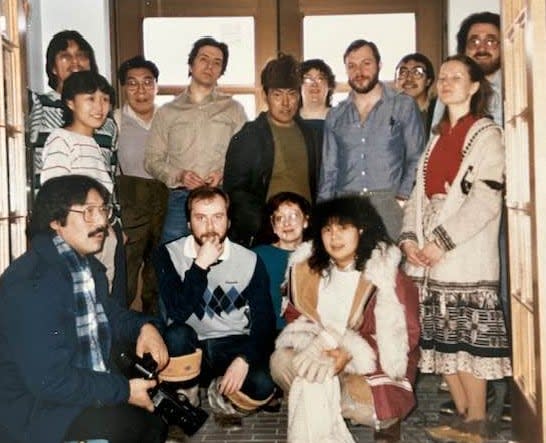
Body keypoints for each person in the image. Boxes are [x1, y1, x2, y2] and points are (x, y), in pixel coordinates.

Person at [0, 175, 168, 443]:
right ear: (56, 221)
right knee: (139, 427)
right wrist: (123, 391)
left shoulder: (83, 266)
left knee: (153, 419)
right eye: (88, 212)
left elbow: (111, 315)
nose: (101, 222)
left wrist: (145, 327)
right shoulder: (31, 283)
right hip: (35, 413)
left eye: (103, 210)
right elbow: (49, 381)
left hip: (70, 394)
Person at [399, 55, 512, 443]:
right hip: (428, 262)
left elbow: (484, 199)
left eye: (456, 77)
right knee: (442, 341)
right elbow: (417, 194)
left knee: (469, 343)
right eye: (442, 77)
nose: (446, 83)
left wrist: (441, 241)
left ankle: (479, 423)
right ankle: (464, 419)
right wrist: (410, 239)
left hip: (465, 255)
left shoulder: (486, 134)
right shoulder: (435, 136)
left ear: (475, 86)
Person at [270, 195, 420, 443]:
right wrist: (317, 347)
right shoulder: (308, 271)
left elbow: (407, 337)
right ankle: (317, 406)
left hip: (368, 370)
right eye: (327, 229)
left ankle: (383, 419)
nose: (334, 237)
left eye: (343, 228)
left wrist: (348, 352)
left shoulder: (387, 277)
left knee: (313, 383)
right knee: (283, 361)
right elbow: (295, 316)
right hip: (319, 356)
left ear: (361, 230)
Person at [154, 186, 276, 430]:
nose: (210, 227)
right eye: (200, 218)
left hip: (230, 343)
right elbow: (177, 311)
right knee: (176, 333)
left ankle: (221, 388)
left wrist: (244, 359)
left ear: (228, 221)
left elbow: (265, 321)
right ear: (188, 223)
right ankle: (187, 391)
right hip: (189, 345)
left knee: (263, 384)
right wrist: (199, 266)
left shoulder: (249, 260)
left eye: (217, 217)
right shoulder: (168, 254)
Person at [318, 39, 425, 241]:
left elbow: (417, 157)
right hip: (347, 208)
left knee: (392, 269)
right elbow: (329, 171)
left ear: (379, 65)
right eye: (352, 66)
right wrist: (323, 215)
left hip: (390, 206)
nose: (359, 71)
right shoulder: (335, 115)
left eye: (366, 63)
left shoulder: (403, 106)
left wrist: (401, 199)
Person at [144, 36, 247, 244]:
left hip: (221, 198)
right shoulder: (167, 112)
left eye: (217, 63)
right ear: (191, 64)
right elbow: (151, 160)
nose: (210, 66)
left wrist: (223, 173)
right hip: (180, 200)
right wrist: (180, 175)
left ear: (221, 71)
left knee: (220, 261)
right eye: (204, 59)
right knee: (173, 261)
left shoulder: (234, 110)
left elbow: (245, 158)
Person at [40, 70, 127, 305]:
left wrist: (114, 227)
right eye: (90, 98)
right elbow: (53, 192)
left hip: (102, 232)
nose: (99, 106)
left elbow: (106, 194)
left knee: (104, 302)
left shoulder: (95, 144)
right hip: (77, 234)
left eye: (105, 99)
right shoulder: (61, 139)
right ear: (70, 102)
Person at [224, 54, 321, 247]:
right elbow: (236, 191)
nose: (286, 103)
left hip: (307, 234)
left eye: (291, 94)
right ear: (265, 95)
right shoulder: (249, 136)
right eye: (277, 94)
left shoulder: (314, 135)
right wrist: (265, 226)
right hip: (266, 235)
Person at [27, 30, 118, 195]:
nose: (75, 62)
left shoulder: (107, 121)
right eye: (65, 56)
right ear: (53, 67)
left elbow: (109, 173)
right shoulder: (38, 104)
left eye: (82, 56)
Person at [115, 55, 169, 314]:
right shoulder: (113, 121)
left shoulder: (168, 119)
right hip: (129, 200)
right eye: (132, 84)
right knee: (125, 271)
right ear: (124, 88)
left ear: (156, 86)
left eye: (147, 82)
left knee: (159, 273)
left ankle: (156, 336)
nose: (141, 90)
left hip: (166, 199)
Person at [253, 191, 311, 332]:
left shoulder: (315, 255)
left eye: (293, 216)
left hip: (307, 332)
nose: (287, 223)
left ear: (305, 221)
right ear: (273, 226)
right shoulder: (257, 256)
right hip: (267, 333)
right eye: (279, 218)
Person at [395, 52, 437, 136]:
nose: (409, 78)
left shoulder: (439, 114)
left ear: (428, 80)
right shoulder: (387, 113)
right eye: (402, 72)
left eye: (417, 73)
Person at [299, 58, 336, 146]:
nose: (314, 84)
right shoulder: (289, 121)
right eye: (308, 79)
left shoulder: (340, 119)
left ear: (329, 86)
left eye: (320, 79)